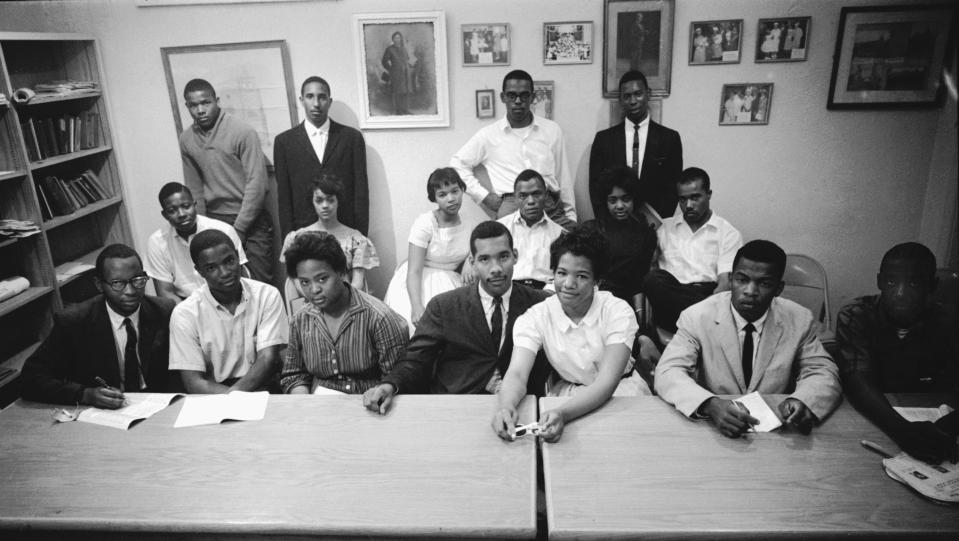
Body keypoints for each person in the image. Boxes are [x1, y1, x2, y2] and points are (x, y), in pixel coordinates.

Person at [654, 240, 842, 438]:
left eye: (764, 284)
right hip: (713, 430)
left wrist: (803, 400)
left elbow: (824, 371)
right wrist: (710, 404)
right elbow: (668, 370)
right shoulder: (697, 316)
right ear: (730, 279)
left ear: (778, 289)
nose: (750, 291)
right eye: (742, 280)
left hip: (777, 433)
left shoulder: (799, 319)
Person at [363, 221, 550, 413]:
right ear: (472, 263)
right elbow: (416, 360)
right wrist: (390, 385)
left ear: (515, 256)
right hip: (458, 406)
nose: (496, 268)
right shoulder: (444, 307)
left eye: (503, 257)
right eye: (484, 259)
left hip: (522, 407)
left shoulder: (541, 304)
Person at [492, 226, 651, 443]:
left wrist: (564, 414)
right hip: (568, 398)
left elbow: (606, 383)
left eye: (582, 276)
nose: (568, 284)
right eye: (561, 273)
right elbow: (518, 374)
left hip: (622, 394)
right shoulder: (536, 316)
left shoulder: (617, 311)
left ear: (597, 280)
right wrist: (506, 407)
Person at [837, 242, 959, 463]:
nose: (901, 293)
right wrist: (903, 432)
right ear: (879, 281)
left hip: (932, 419)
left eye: (914, 282)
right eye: (892, 282)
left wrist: (945, 428)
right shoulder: (856, 314)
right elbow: (857, 379)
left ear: (932, 285)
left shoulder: (949, 324)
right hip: (871, 419)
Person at [21, 244, 178, 407]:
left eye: (137, 280)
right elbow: (31, 378)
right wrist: (85, 394)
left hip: (157, 405)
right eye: (118, 283)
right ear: (99, 284)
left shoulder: (164, 311)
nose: (130, 291)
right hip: (104, 412)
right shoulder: (74, 321)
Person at [280, 231, 407, 395]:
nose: (314, 289)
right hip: (317, 408)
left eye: (322, 279)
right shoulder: (301, 320)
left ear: (341, 272)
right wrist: (306, 403)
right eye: (305, 282)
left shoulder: (379, 318)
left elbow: (397, 380)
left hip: (368, 406)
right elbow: (294, 375)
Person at [450, 69, 576, 227]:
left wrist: (571, 215)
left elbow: (562, 176)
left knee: (574, 245)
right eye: (511, 95)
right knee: (509, 249)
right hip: (511, 206)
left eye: (524, 95)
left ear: (533, 97)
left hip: (548, 204)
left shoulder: (552, 130)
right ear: (503, 97)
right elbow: (457, 164)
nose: (518, 101)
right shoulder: (489, 135)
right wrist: (484, 197)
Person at [168, 230, 288, 393]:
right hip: (213, 395)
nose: (224, 272)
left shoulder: (266, 295)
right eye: (212, 267)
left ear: (238, 257)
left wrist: (235, 397)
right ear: (199, 271)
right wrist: (233, 400)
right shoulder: (185, 314)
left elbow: (267, 358)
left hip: (263, 385)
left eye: (229, 261)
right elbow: (194, 382)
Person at [179, 78, 273, 282]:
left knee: (260, 282)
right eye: (193, 105)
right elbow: (194, 189)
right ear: (187, 106)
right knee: (221, 283)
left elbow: (257, 184)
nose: (200, 110)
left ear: (217, 101)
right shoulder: (187, 139)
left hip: (249, 219)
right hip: (215, 219)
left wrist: (238, 229)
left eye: (206, 102)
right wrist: (199, 227)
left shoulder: (242, 132)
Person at [642, 167, 743, 336]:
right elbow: (650, 270)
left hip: (708, 297)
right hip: (671, 302)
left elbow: (724, 285)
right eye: (682, 199)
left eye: (695, 197)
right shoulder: (664, 229)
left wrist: (705, 307)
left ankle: (699, 323)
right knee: (653, 279)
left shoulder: (728, 233)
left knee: (720, 301)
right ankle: (702, 324)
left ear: (708, 194)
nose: (688, 205)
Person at [274, 76, 369, 238]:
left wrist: (360, 236)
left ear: (329, 101)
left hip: (345, 231)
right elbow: (284, 197)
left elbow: (361, 192)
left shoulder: (351, 138)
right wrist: (289, 238)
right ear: (301, 100)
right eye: (310, 97)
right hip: (303, 233)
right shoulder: (284, 142)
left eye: (322, 97)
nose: (316, 104)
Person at [384, 168, 472, 332]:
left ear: (462, 190)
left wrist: (469, 261)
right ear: (435, 198)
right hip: (419, 282)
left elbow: (475, 247)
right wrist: (416, 306)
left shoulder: (468, 222)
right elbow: (414, 270)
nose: (451, 199)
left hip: (452, 282)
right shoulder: (426, 223)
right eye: (443, 194)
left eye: (455, 191)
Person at [589, 70, 683, 222]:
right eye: (626, 96)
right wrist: (607, 223)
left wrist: (658, 222)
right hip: (614, 225)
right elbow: (596, 189)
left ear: (648, 94)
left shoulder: (669, 139)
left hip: (655, 225)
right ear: (620, 100)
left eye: (638, 94)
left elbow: (673, 188)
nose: (633, 101)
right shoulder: (604, 140)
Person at [144, 182, 247, 302]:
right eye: (172, 210)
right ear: (165, 215)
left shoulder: (223, 230)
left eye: (186, 206)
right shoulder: (156, 242)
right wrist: (190, 315)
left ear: (195, 205)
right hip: (184, 304)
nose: (181, 214)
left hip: (226, 297)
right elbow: (165, 292)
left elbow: (241, 276)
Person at [280, 173, 378, 299]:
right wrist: (313, 298)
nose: (325, 205)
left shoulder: (356, 239)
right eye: (319, 200)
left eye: (330, 200)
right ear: (312, 202)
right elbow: (294, 278)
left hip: (344, 303)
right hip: (307, 304)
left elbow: (358, 281)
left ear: (338, 201)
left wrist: (342, 303)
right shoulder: (297, 238)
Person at [582, 166, 656, 306]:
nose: (620, 206)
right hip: (594, 296)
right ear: (605, 202)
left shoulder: (646, 234)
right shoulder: (591, 230)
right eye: (613, 200)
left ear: (634, 199)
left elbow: (641, 276)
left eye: (626, 199)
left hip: (628, 298)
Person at [497, 169, 565, 289]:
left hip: (545, 294)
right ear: (515, 198)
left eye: (536, 194)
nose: (531, 201)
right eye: (523, 196)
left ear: (546, 195)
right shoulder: (499, 229)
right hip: (509, 292)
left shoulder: (561, 235)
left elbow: (564, 273)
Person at [381, 31, 413, 115]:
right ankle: (398, 111)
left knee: (405, 91)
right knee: (397, 92)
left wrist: (410, 64)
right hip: (396, 74)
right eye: (395, 38)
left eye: (399, 37)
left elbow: (408, 59)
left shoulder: (403, 48)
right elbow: (384, 61)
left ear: (401, 38)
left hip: (405, 73)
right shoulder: (390, 49)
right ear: (393, 39)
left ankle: (405, 110)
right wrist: (390, 69)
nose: (397, 39)